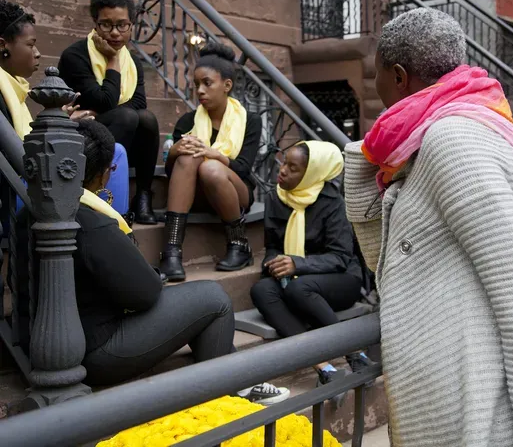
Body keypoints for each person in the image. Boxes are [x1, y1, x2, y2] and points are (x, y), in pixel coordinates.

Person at [343, 8, 513, 446]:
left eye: (375, 73)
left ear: (398, 76)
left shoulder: (454, 139)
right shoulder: (434, 131)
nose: (375, 84)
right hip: (451, 392)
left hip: (473, 412)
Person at [14, 120, 288, 404]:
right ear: (102, 175)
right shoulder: (92, 221)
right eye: (112, 170)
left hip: (43, 340)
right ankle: (226, 395)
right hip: (94, 353)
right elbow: (145, 294)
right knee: (214, 298)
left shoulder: (30, 212)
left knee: (191, 304)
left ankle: (239, 380)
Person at [250, 141, 373, 393]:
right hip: (295, 278)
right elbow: (272, 245)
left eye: (293, 168)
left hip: (339, 279)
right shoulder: (276, 197)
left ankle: (354, 354)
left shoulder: (331, 202)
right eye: (284, 162)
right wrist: (272, 263)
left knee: (299, 288)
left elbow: (340, 257)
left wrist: (297, 263)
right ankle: (325, 368)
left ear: (311, 174)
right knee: (261, 290)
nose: (282, 170)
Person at [0, 0, 129, 215]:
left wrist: (58, 123)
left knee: (114, 151)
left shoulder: (12, 87)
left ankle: (108, 225)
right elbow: (20, 156)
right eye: (31, 45)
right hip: (16, 193)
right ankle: (111, 227)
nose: (37, 53)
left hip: (28, 181)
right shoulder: (3, 89)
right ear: (3, 45)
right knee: (115, 153)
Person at [58, 0, 159, 224]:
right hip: (83, 140)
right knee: (128, 117)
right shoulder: (76, 56)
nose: (115, 33)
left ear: (132, 25)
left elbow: (139, 102)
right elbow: (106, 100)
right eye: (106, 24)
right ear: (95, 23)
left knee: (146, 118)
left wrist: (101, 108)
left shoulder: (132, 62)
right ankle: (100, 192)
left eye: (122, 25)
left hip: (121, 137)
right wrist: (112, 60)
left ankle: (143, 195)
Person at [160, 42, 261, 280]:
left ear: (227, 85)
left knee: (211, 168)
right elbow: (171, 173)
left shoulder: (250, 120)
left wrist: (213, 153)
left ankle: (239, 244)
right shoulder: (188, 121)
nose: (200, 91)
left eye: (207, 83)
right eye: (196, 85)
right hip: (195, 194)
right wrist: (174, 151)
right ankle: (171, 251)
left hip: (235, 191)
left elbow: (244, 168)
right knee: (188, 156)